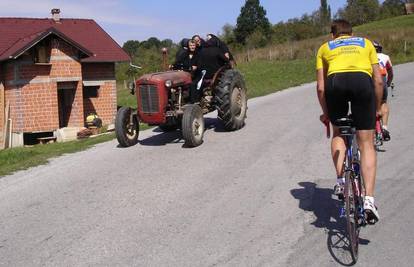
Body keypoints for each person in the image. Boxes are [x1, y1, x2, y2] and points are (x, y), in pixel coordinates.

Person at [316, 19, 383, 224]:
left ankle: (340, 179)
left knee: (338, 133)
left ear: (333, 34)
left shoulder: (324, 48)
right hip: (362, 83)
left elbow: (320, 88)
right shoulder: (366, 43)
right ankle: (369, 200)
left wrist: (326, 114)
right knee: (366, 143)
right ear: (351, 33)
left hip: (335, 84)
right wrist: (378, 108)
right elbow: (378, 80)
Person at [373, 41, 393, 141]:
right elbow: (390, 72)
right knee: (383, 103)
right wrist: (389, 82)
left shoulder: (366, 56)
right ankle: (384, 127)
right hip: (382, 79)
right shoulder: (385, 57)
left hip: (369, 80)